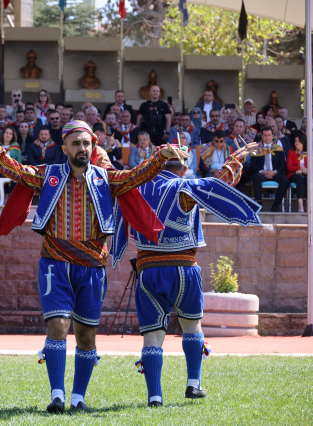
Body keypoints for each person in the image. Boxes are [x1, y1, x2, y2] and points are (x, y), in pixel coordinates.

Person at [0, 119, 187, 413]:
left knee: (86, 335)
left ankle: (78, 398)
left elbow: (136, 175)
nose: (82, 148)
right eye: (75, 143)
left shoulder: (106, 178)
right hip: (55, 262)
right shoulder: (48, 175)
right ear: (64, 148)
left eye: (86, 143)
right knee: (58, 325)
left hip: (92, 265)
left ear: (93, 146)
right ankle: (57, 395)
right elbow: (16, 171)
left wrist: (160, 156)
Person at [111, 140, 259, 409]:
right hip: (183, 268)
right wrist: (239, 157)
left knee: (153, 336)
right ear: (183, 168)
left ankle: (154, 396)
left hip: (147, 270)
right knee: (192, 326)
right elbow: (220, 183)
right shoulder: (184, 187)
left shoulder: (135, 187)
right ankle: (193, 383)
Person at [250, 127, 289, 212]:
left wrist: (274, 172)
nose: (267, 137)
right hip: (261, 173)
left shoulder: (278, 147)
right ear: (262, 136)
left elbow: (282, 165)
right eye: (265, 135)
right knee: (256, 177)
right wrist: (262, 171)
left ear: (272, 136)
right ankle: (259, 203)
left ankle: (276, 204)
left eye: (269, 135)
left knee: (285, 181)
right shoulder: (256, 148)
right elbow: (252, 165)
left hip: (275, 173)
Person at [287, 133, 308, 213]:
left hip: (305, 174)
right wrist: (300, 168)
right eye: (295, 141)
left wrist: (304, 170)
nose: (297, 143)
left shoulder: (308, 153)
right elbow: (289, 167)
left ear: (303, 142)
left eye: (299, 141)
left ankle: (308, 203)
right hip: (294, 175)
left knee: (307, 179)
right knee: (299, 178)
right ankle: (300, 205)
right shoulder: (291, 152)